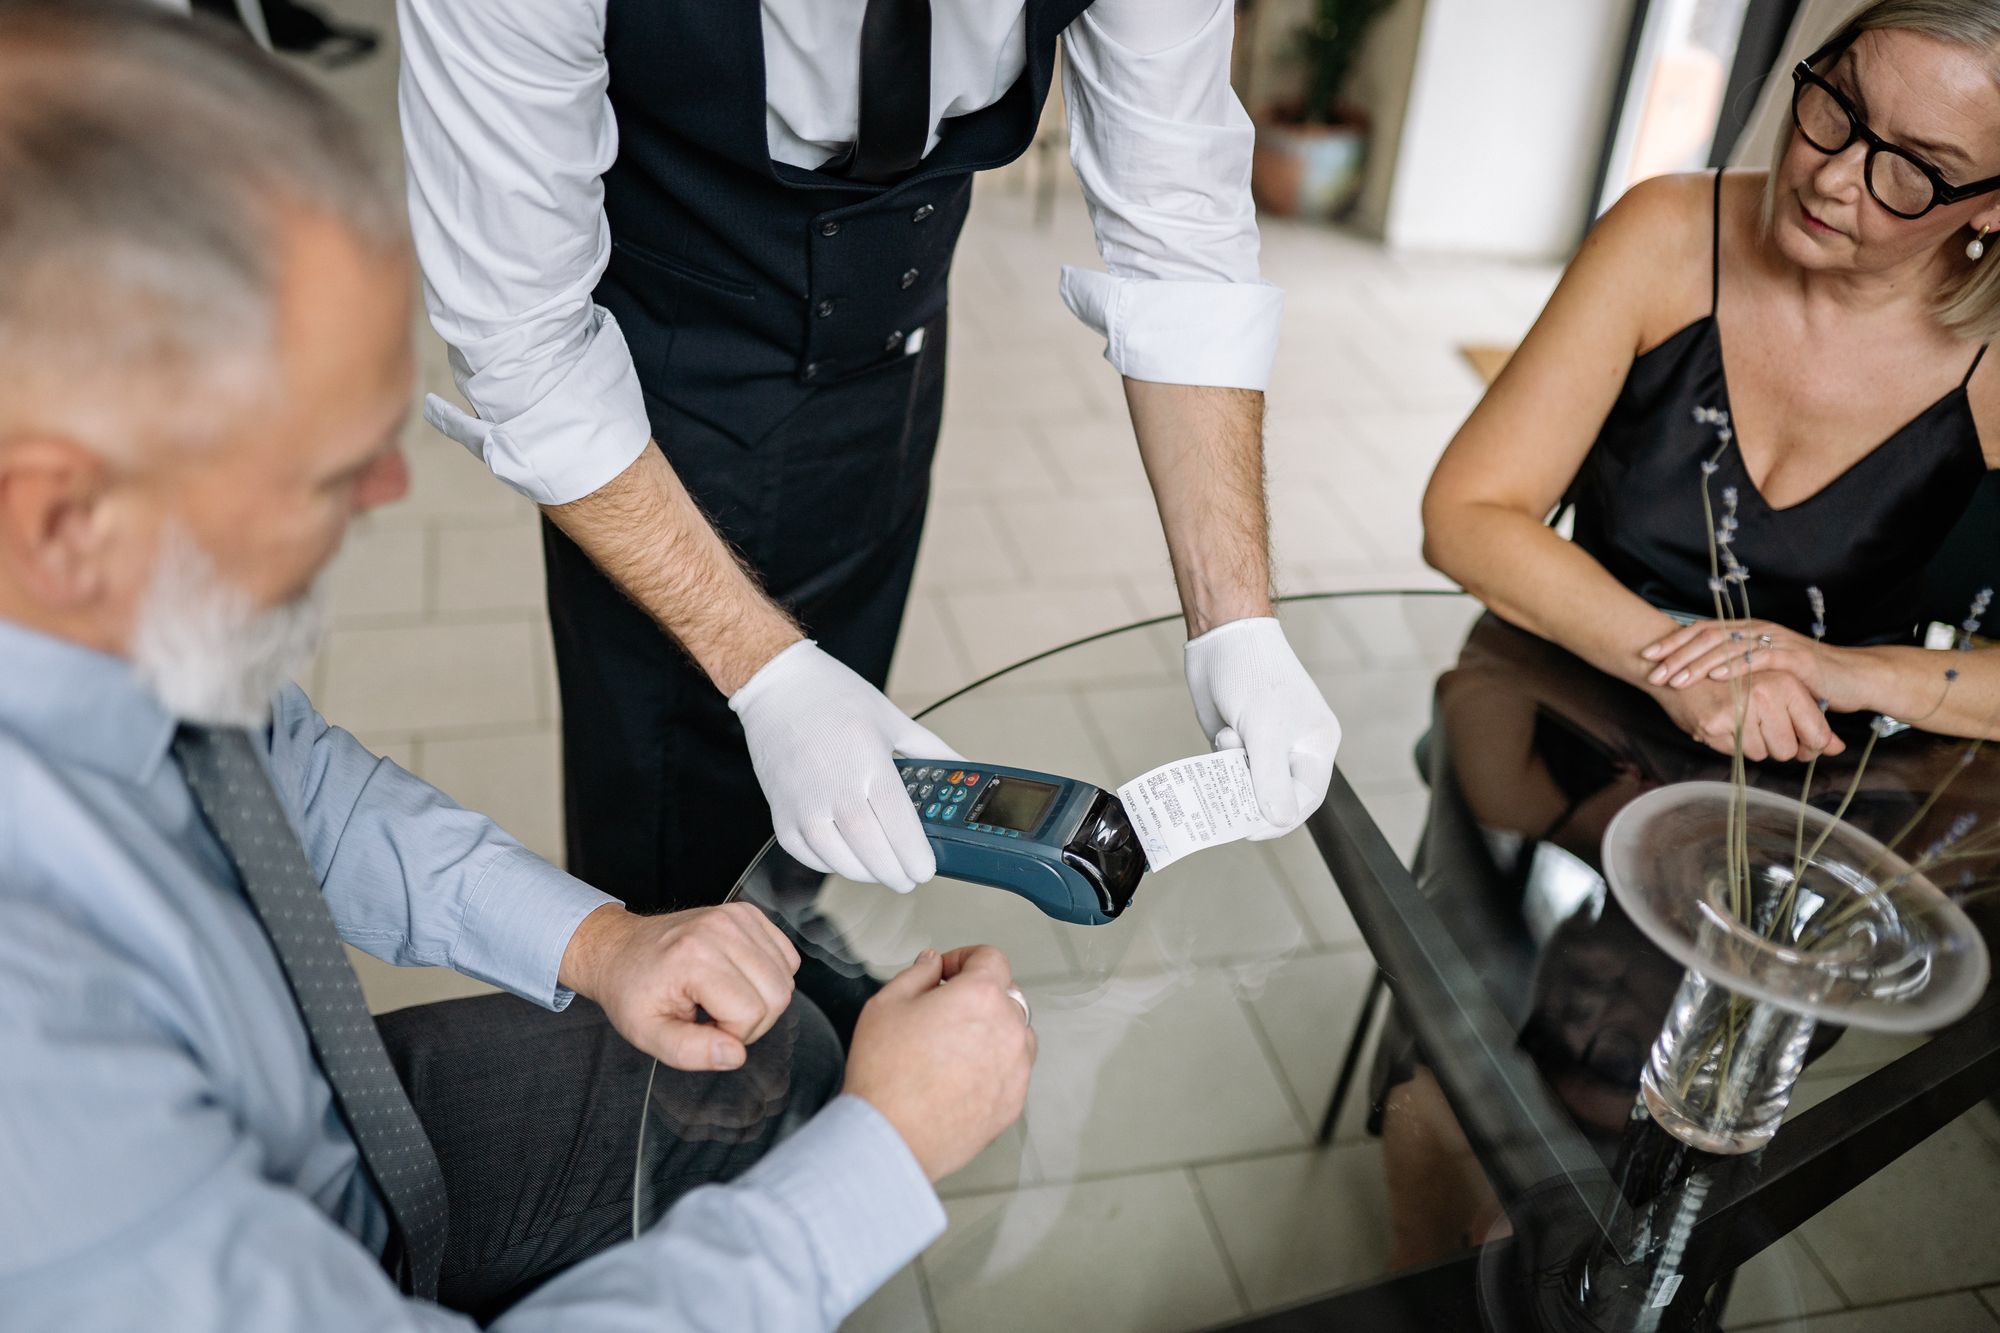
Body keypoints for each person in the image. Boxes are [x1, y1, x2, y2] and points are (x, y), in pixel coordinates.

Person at [0, 5, 1033, 1327]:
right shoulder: (42, 1076)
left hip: (318, 1128)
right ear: (63, 516)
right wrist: (884, 1162)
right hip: (248, 1237)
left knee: (765, 1065)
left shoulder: (82, 615)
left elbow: (280, 782)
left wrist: (601, 941)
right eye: (328, 467)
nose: (386, 491)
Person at [396, 0, 1344, 912]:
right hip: (656, 409)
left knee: (842, 772)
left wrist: (1236, 622)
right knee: (672, 851)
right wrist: (765, 672)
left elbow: (1178, 218)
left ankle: (794, 921)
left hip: (897, 363)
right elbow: (521, 344)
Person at [1423, 0, 2000, 764]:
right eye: (1839, 104)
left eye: (1914, 170)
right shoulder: (1666, 233)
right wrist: (1683, 665)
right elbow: (1464, 515)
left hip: (1819, 788)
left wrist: (1834, 670)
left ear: (1990, 209)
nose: (1830, 177)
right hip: (1557, 722)